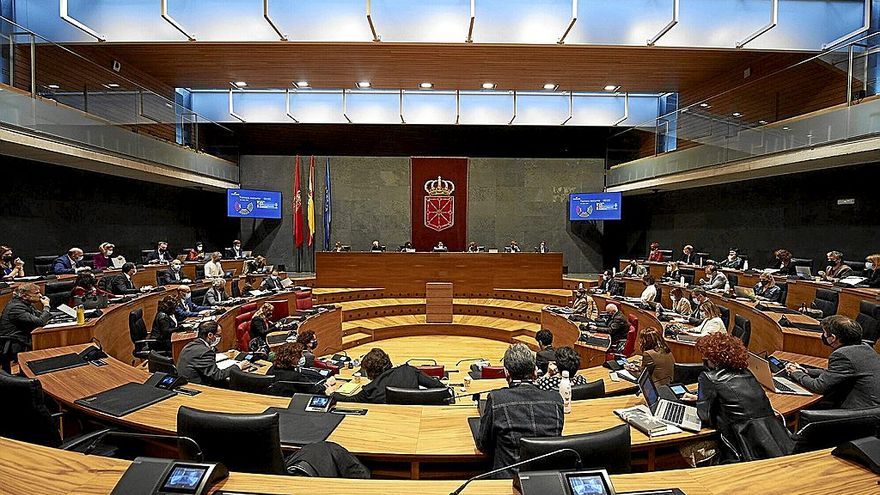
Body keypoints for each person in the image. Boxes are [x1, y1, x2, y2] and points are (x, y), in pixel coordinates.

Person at [687, 332, 794, 462]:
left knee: (687, 448)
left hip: (739, 447)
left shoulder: (709, 378)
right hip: (773, 442)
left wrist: (703, 400)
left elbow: (705, 417)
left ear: (713, 359)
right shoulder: (747, 373)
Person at [476, 343, 564, 477]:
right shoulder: (556, 399)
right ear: (535, 371)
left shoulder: (496, 399)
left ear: (506, 373)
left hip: (509, 481)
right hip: (546, 479)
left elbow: (483, 445)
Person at [786, 315, 880, 408]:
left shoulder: (842, 355)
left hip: (859, 412)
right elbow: (835, 373)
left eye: (825, 333)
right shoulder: (866, 348)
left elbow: (818, 386)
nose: (822, 336)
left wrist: (796, 373)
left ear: (833, 338)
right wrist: (806, 371)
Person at [328, 347, 446, 404]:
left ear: (369, 373)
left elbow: (349, 399)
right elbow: (440, 387)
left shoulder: (369, 391)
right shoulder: (408, 371)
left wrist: (331, 392)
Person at [0, 283, 52, 370]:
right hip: (13, 341)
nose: (40, 295)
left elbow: (39, 316)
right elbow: (40, 321)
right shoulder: (16, 307)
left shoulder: (25, 303)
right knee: (47, 341)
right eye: (36, 293)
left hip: (21, 337)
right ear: (24, 296)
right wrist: (46, 306)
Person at [177, 321, 246, 385]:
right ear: (210, 335)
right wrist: (239, 366)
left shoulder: (190, 345)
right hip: (200, 387)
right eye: (218, 335)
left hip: (187, 383)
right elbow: (218, 375)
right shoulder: (205, 352)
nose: (219, 338)